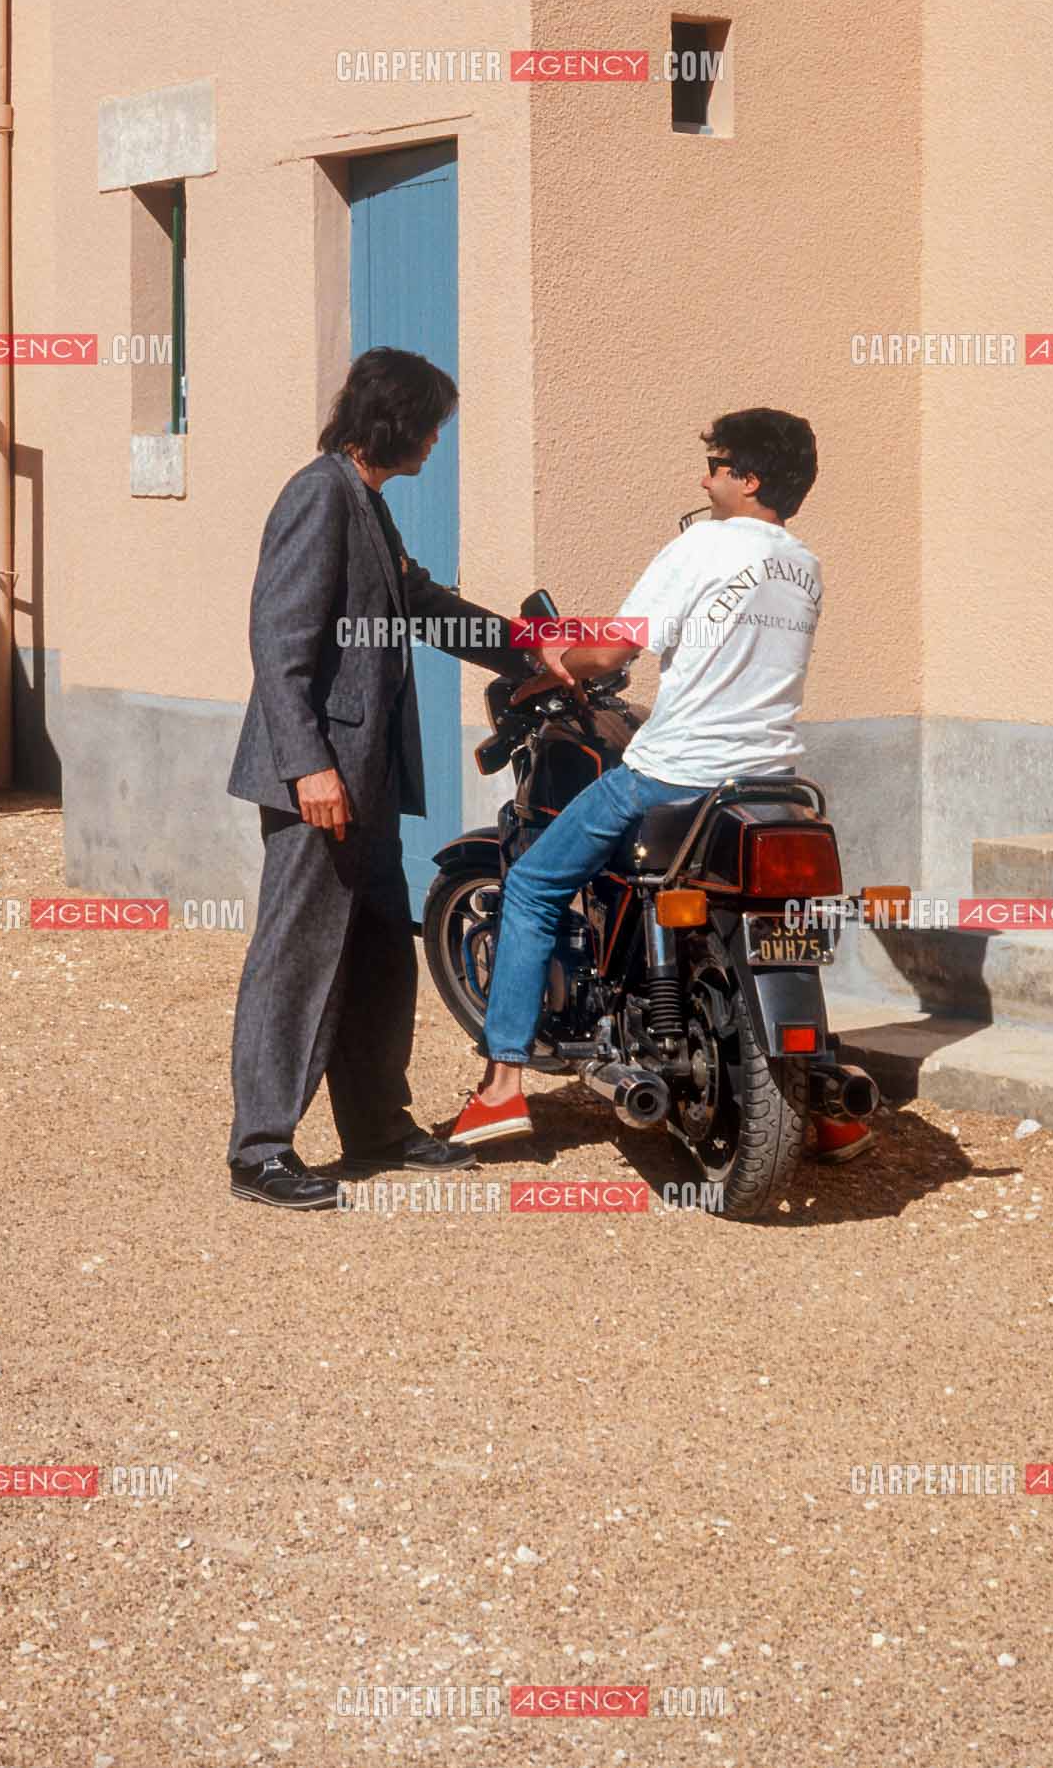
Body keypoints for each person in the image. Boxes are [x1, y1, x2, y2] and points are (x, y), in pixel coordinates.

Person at [447, 406, 873, 1164]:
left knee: (534, 885)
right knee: (778, 923)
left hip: (672, 774)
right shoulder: (805, 566)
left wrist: (557, 663)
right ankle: (823, 1103)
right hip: (769, 783)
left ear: (748, 479)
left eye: (715, 466)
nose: (704, 481)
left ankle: (502, 1086)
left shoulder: (701, 544)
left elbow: (614, 651)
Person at [225, 348, 567, 1211]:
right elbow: (278, 640)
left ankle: (376, 1127)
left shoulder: (364, 500)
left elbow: (419, 601)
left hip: (366, 779)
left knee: (381, 957)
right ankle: (259, 1150)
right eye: (432, 426)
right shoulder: (318, 495)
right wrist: (308, 765)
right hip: (321, 780)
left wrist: (531, 652)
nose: (436, 443)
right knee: (296, 959)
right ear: (396, 423)